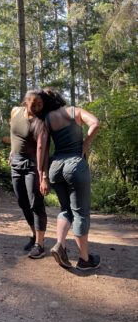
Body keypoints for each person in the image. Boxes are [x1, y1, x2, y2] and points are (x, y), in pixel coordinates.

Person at [38, 88, 101, 270]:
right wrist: (85, 143)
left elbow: (42, 148)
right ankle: (84, 259)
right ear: (58, 98)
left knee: (66, 209)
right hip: (75, 164)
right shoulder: (75, 111)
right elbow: (95, 123)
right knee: (81, 212)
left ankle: (60, 245)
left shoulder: (47, 120)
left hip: (55, 166)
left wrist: (43, 175)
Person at [9, 87, 49, 259]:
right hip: (16, 162)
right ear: (26, 101)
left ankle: (40, 244)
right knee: (22, 202)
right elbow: (13, 132)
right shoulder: (15, 111)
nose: (38, 107)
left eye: (41, 104)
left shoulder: (41, 121)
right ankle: (34, 236)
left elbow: (44, 149)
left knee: (35, 203)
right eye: (35, 103)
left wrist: (44, 176)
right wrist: (12, 150)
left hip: (33, 164)